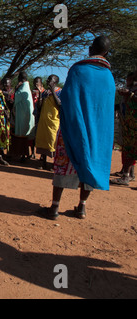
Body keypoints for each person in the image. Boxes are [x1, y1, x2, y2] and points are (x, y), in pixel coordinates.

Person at [40, 36, 116, 220]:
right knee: (90, 163)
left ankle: (55, 208)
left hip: (73, 127)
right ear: (106, 53)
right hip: (97, 134)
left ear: (90, 49)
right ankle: (81, 208)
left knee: (63, 164)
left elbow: (65, 102)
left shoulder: (78, 70)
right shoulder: (109, 77)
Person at [111, 70, 137, 186]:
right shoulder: (130, 90)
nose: (129, 81)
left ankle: (126, 176)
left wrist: (129, 95)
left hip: (133, 127)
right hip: (127, 126)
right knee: (128, 150)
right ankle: (127, 174)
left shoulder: (132, 92)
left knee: (130, 150)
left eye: (131, 79)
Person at [34, 75, 62, 170]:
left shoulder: (59, 91)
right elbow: (39, 106)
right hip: (44, 120)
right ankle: (43, 162)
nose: (47, 81)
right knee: (44, 140)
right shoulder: (45, 92)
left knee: (53, 141)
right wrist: (41, 95)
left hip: (54, 121)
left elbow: (59, 104)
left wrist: (53, 91)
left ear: (55, 81)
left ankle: (54, 164)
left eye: (50, 79)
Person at [11, 71, 35, 162]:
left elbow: (15, 98)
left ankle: (22, 156)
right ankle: (21, 155)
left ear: (19, 79)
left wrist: (16, 89)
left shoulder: (22, 88)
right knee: (23, 136)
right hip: (24, 116)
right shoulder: (27, 88)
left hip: (22, 117)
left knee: (21, 136)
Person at [30, 77, 45, 159]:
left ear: (41, 84)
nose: (36, 84)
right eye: (34, 82)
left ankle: (43, 155)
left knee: (42, 136)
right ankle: (32, 153)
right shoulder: (32, 93)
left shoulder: (45, 93)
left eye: (37, 82)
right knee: (33, 136)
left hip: (42, 117)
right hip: (33, 116)